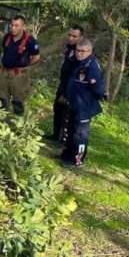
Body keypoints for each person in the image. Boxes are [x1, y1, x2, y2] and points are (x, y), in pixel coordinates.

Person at [61, 39, 107, 168]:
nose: (79, 53)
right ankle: (67, 156)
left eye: (82, 51)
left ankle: (77, 161)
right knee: (70, 131)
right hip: (74, 104)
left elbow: (98, 90)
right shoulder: (80, 63)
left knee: (80, 135)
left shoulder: (92, 67)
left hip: (84, 107)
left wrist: (87, 99)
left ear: (89, 51)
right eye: (77, 50)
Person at [44, 25, 84, 144]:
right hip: (63, 83)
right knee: (57, 109)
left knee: (67, 114)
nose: (71, 38)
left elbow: (76, 75)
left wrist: (67, 94)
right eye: (69, 35)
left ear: (81, 37)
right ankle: (56, 134)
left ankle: (63, 140)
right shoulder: (69, 47)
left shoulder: (80, 52)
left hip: (71, 89)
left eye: (74, 36)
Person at [0, 15, 40, 117]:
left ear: (24, 27)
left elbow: (36, 57)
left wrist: (27, 67)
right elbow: (4, 52)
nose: (13, 28)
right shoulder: (7, 37)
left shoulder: (31, 41)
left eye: (17, 26)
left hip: (18, 75)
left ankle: (17, 126)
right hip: (4, 73)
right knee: (1, 100)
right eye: (12, 25)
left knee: (18, 101)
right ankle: (1, 123)